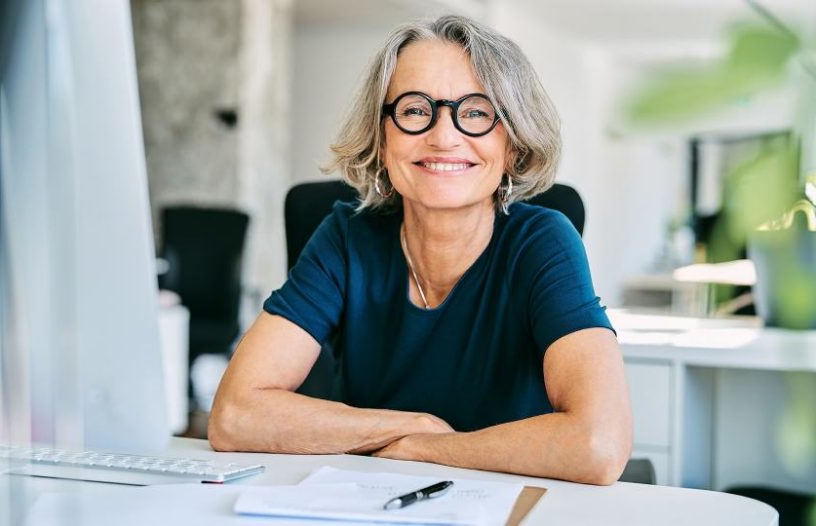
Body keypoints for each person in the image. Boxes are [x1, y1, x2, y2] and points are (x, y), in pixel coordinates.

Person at [208, 15, 632, 485]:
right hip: (367, 501)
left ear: (512, 144)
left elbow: (599, 444)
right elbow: (234, 415)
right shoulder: (347, 235)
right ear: (382, 138)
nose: (443, 136)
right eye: (414, 110)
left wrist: (431, 450)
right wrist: (411, 425)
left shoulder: (542, 241)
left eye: (475, 112)